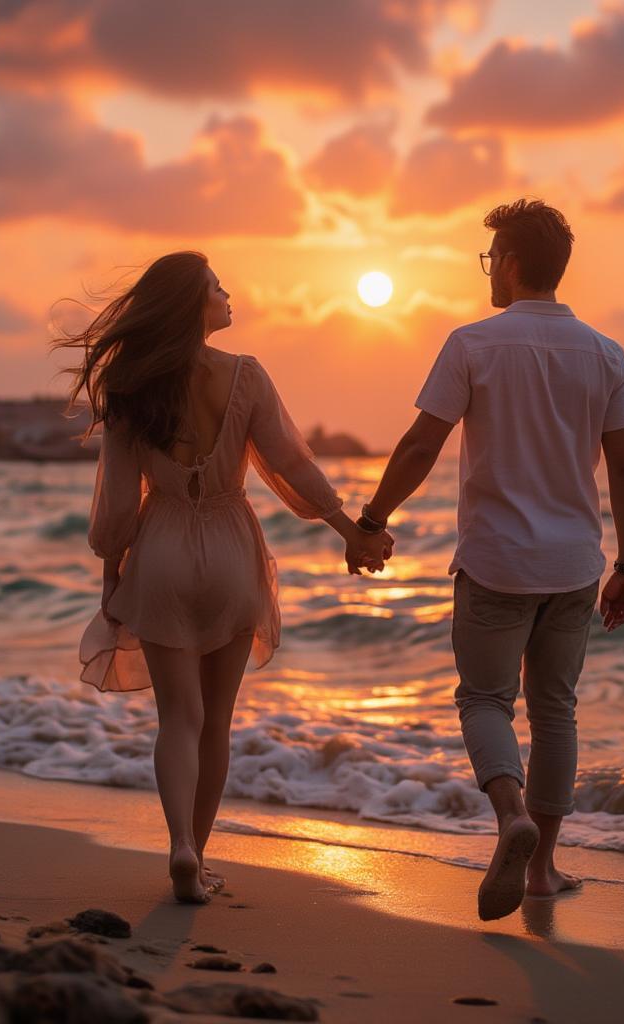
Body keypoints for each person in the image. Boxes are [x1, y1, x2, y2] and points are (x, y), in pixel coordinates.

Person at [53, 252, 391, 904]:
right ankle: (198, 861)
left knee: (178, 719)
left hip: (163, 552)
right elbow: (291, 464)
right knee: (217, 722)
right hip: (232, 552)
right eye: (216, 287)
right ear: (193, 305)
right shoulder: (245, 376)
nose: (228, 294)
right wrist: (351, 531)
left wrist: (110, 575)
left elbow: (118, 503)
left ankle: (180, 845)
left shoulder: (133, 386)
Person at [358, 199, 624, 920]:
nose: (489, 271)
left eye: (492, 258)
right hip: (576, 564)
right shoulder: (606, 353)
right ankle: (543, 870)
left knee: (485, 700)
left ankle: (509, 813)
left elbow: (422, 444)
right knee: (556, 711)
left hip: (495, 562)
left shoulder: (473, 344)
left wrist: (371, 519)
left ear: (511, 264)